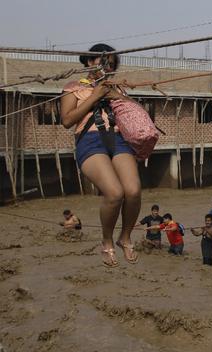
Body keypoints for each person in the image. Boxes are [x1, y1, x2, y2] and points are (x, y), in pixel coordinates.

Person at [60, 43, 139, 267]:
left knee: (133, 191)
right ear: (88, 62)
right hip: (90, 141)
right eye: (101, 61)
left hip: (119, 139)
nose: (106, 67)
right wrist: (96, 95)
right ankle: (107, 241)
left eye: (111, 64)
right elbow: (67, 120)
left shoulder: (117, 88)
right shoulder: (74, 87)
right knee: (114, 193)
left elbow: (136, 112)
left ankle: (125, 237)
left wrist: (115, 94)